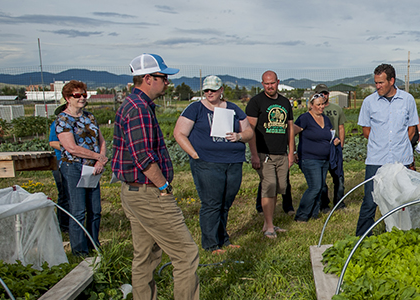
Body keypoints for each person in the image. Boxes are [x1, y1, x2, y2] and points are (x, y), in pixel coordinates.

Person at [113, 53, 199, 299]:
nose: (168, 83)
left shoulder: (132, 104)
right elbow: (143, 157)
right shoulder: (139, 109)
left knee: (146, 256)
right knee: (186, 254)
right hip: (149, 192)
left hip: (133, 191)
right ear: (148, 78)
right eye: (164, 77)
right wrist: (163, 187)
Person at [172, 75, 253, 254]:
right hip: (207, 163)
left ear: (221, 90)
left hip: (232, 163)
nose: (209, 93)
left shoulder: (233, 108)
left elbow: (248, 131)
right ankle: (210, 244)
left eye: (213, 90)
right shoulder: (195, 108)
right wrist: (195, 155)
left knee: (226, 202)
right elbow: (179, 133)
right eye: (206, 90)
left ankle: (223, 239)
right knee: (211, 203)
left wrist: (239, 136)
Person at [356, 63, 420, 236]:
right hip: (376, 159)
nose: (377, 86)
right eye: (376, 82)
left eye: (381, 82)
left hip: (401, 160)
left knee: (402, 200)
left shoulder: (407, 100)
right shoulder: (369, 102)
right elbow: (366, 130)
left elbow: (412, 128)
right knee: (370, 201)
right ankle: (361, 238)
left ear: (392, 81)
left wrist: (399, 145)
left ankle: (401, 234)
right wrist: (382, 143)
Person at [54, 80, 106, 256]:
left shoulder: (89, 117)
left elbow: (101, 141)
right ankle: (79, 250)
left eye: (84, 94)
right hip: (74, 167)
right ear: (68, 98)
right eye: (77, 95)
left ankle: (94, 244)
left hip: (92, 168)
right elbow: (71, 148)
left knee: (95, 209)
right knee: (78, 210)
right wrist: (97, 156)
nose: (82, 98)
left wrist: (100, 160)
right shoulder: (63, 119)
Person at [246, 70, 295, 238]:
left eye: (272, 83)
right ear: (262, 84)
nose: (270, 86)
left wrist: (291, 152)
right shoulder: (255, 102)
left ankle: (269, 223)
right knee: (269, 187)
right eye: (266, 84)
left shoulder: (285, 102)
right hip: (264, 153)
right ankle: (269, 228)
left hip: (281, 153)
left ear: (278, 82)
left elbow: (290, 129)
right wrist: (254, 154)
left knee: (279, 188)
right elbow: (249, 130)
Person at [292, 93, 335, 222]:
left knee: (321, 186)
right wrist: (293, 151)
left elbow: (330, 135)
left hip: (324, 159)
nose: (321, 107)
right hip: (309, 158)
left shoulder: (326, 119)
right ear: (311, 105)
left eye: (323, 104)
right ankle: (302, 215)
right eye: (318, 104)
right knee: (315, 187)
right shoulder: (304, 118)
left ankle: (313, 214)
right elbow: (291, 133)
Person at [317, 84, 346, 211]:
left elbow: (341, 127)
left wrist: (341, 145)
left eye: (326, 93)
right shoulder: (314, 110)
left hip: (335, 147)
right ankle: (324, 204)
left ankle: (339, 203)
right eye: (321, 94)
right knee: (321, 179)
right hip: (321, 148)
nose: (324, 96)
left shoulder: (337, 108)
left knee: (339, 177)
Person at [47, 104, 69, 233]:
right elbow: (53, 142)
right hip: (61, 161)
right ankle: (64, 225)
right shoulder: (57, 124)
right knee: (64, 194)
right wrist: (70, 146)